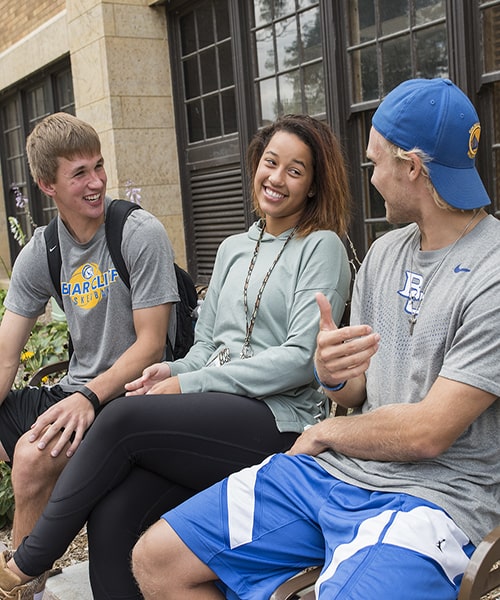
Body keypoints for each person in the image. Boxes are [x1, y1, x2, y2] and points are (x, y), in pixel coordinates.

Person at [130, 78, 500, 600]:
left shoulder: (493, 273)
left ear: (412, 167)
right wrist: (332, 373)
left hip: (433, 499)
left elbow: (428, 433)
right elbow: (354, 394)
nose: (371, 178)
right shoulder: (384, 254)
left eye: (375, 163)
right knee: (157, 559)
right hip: (334, 475)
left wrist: (328, 434)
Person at [0, 114, 352, 599]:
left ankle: (25, 565)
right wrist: (172, 369)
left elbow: (299, 359)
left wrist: (192, 383)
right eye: (270, 163)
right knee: (113, 513)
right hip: (217, 419)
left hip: (279, 422)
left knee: (121, 418)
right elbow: (206, 348)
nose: (276, 178)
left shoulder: (322, 246)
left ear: (313, 185)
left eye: (295, 170)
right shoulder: (232, 249)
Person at [0, 113, 177, 597]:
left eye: (98, 167)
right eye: (79, 173)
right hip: (76, 389)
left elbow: (151, 344)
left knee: (32, 460)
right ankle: (38, 549)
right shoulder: (43, 251)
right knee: (15, 439)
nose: (97, 182)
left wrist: (90, 399)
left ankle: (20, 586)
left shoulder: (138, 233)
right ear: (46, 185)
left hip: (135, 394)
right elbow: (5, 355)